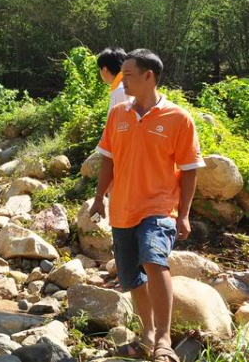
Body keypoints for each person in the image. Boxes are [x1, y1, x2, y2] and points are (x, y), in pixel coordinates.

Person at [90, 49, 204, 362]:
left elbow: (190, 168)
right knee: (132, 280)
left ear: (148, 76)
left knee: (154, 261)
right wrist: (100, 198)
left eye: (127, 74)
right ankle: (148, 336)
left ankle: (164, 340)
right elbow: (107, 159)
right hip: (122, 208)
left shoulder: (178, 118)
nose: (121, 80)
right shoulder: (118, 114)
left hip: (159, 207)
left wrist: (184, 214)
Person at [97, 47, 129, 112]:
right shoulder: (126, 85)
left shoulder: (121, 90)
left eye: (100, 69)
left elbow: (124, 120)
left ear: (105, 69)